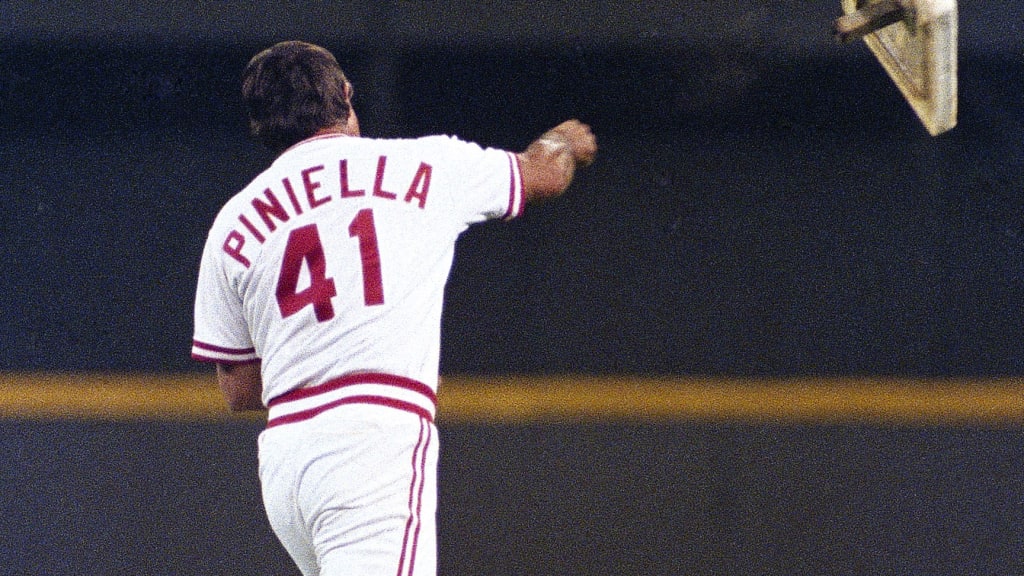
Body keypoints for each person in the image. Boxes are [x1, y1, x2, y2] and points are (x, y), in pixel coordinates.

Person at [191, 40, 596, 576]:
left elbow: (239, 390)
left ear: (262, 124)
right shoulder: (421, 164)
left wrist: (316, 355)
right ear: (344, 94)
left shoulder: (234, 221)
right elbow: (542, 174)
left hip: (287, 466)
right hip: (371, 442)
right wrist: (561, 140)